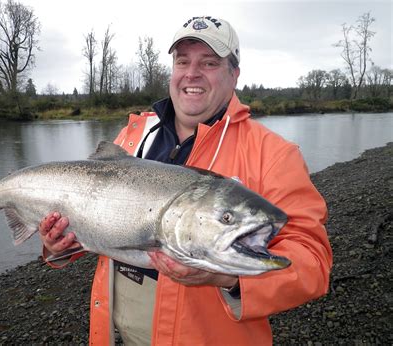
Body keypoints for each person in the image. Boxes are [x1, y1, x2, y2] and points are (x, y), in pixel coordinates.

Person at [39, 16, 332, 345]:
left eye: (209, 62)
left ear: (233, 75)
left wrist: (228, 278)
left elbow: (313, 263)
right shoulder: (133, 135)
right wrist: (59, 247)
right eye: (183, 61)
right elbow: (100, 223)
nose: (192, 73)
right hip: (112, 331)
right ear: (172, 72)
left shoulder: (274, 154)